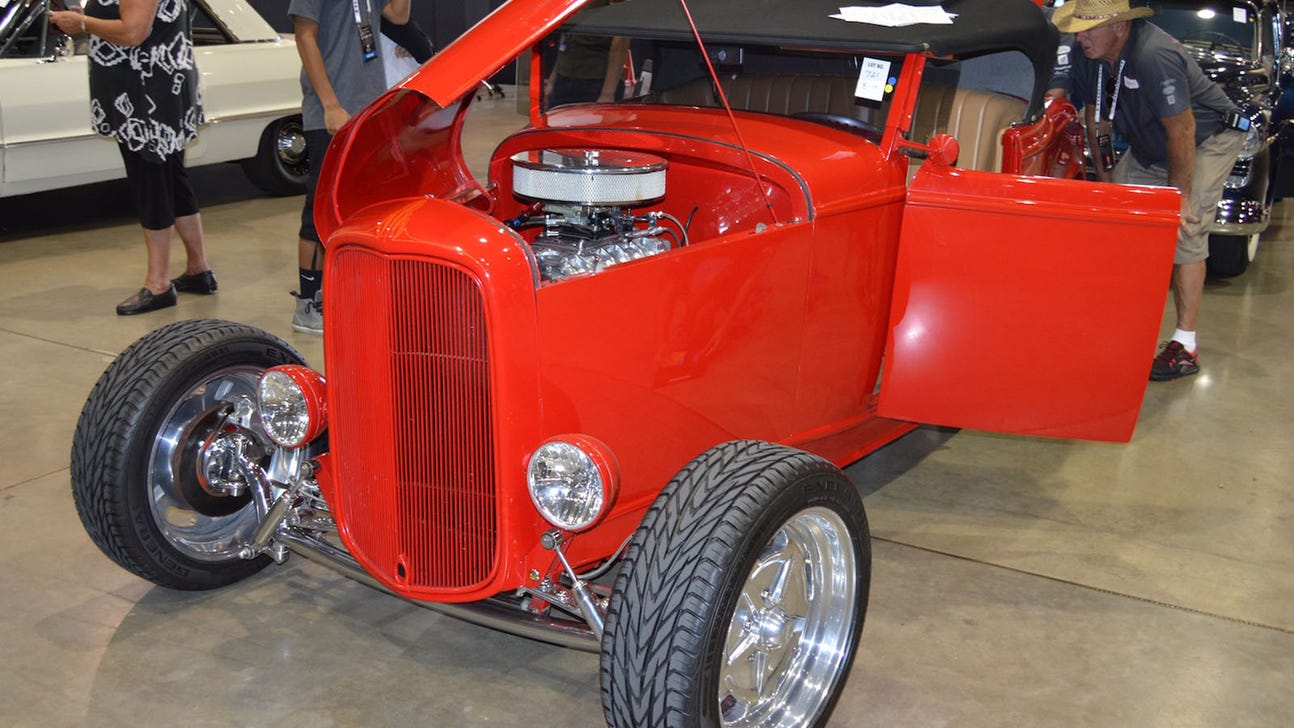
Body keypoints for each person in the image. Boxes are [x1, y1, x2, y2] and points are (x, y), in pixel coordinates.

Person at [1055, 0, 1246, 381]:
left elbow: (1184, 130)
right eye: (1078, 29)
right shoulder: (1089, 54)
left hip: (1208, 138)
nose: (1081, 37)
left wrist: (1181, 198)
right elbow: (1096, 121)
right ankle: (1122, 328)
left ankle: (1185, 345)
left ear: (1120, 27)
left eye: (1089, 28)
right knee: (1121, 226)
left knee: (1184, 231)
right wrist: (1109, 186)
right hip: (1151, 144)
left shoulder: (1154, 55)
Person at [49, 0, 216, 316]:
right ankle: (199, 269)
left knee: (151, 182)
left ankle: (159, 284)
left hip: (145, 93)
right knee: (171, 180)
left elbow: (134, 31)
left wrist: (83, 23)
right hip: (154, 88)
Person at [287, 0, 410, 335]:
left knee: (361, 208)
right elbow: (304, 36)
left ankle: (348, 292)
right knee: (320, 207)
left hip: (368, 109)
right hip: (333, 115)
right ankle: (309, 303)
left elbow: (398, 15)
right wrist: (330, 105)